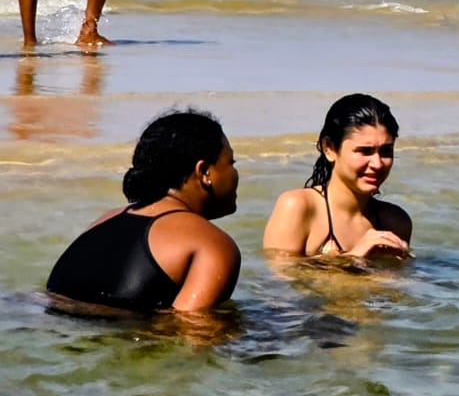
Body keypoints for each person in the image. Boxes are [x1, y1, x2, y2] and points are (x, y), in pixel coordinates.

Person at [46, 109, 241, 312]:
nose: (235, 172)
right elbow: (194, 332)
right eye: (231, 163)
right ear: (204, 172)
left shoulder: (104, 220)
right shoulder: (211, 244)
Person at [263, 93, 412, 258]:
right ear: (329, 149)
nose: (377, 163)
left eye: (386, 151)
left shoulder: (395, 221)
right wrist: (352, 257)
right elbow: (275, 278)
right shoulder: (298, 206)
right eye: (364, 151)